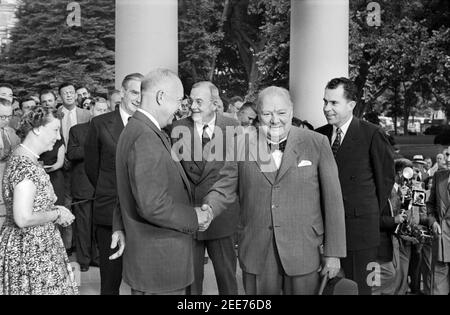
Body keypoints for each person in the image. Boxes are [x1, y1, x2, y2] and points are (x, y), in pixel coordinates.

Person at [202, 86, 346, 295]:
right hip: (256, 250)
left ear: (291, 110)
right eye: (267, 114)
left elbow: (333, 201)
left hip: (304, 249)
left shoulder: (317, 142)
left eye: (281, 113)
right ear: (258, 114)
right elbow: (224, 188)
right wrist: (208, 209)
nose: (275, 120)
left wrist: (334, 253)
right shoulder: (240, 143)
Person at [112, 68, 210, 295]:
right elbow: (152, 205)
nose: (179, 110)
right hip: (160, 264)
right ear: (160, 97)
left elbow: (127, 191)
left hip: (150, 260)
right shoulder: (146, 137)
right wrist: (195, 216)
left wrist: (120, 226)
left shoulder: (137, 129)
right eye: (178, 101)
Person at [316, 77, 395, 295]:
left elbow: (385, 181)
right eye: (325, 102)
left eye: (334, 103)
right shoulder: (318, 135)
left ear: (351, 105)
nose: (326, 108)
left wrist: (365, 214)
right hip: (323, 233)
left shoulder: (372, 134)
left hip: (361, 235)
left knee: (362, 289)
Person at [171, 81, 240, 295]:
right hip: (190, 215)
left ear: (215, 104)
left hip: (222, 216)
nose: (193, 106)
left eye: (199, 101)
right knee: (191, 283)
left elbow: (238, 174)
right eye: (191, 101)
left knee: (227, 279)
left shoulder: (233, 127)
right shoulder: (176, 127)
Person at [0, 105, 77, 295]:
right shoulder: (26, 165)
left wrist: (54, 210)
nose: (58, 137)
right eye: (55, 130)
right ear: (36, 129)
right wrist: (56, 213)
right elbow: (23, 218)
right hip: (31, 250)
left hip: (33, 244)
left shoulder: (22, 157)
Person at [84, 73, 144, 295]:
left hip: (143, 215)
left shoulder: (150, 125)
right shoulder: (100, 124)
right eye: (134, 92)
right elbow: (92, 168)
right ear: (123, 92)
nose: (138, 98)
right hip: (109, 211)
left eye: (142, 93)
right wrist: (110, 190)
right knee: (110, 282)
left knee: (142, 280)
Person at [67, 99, 108, 272]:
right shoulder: (77, 130)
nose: (103, 113)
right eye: (99, 109)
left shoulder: (109, 130)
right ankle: (83, 260)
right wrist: (92, 147)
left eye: (106, 110)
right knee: (83, 225)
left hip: (103, 186)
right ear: (91, 110)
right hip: (83, 186)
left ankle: (97, 258)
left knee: (98, 225)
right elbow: (72, 153)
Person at [427, 153, 450, 295]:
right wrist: (433, 221)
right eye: (447, 155)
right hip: (441, 238)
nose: (447, 159)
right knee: (437, 288)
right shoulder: (438, 176)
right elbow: (430, 204)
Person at [0, 96, 20, 228]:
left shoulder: (11, 132)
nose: (6, 121)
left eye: (9, 116)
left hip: (8, 188)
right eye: (2, 117)